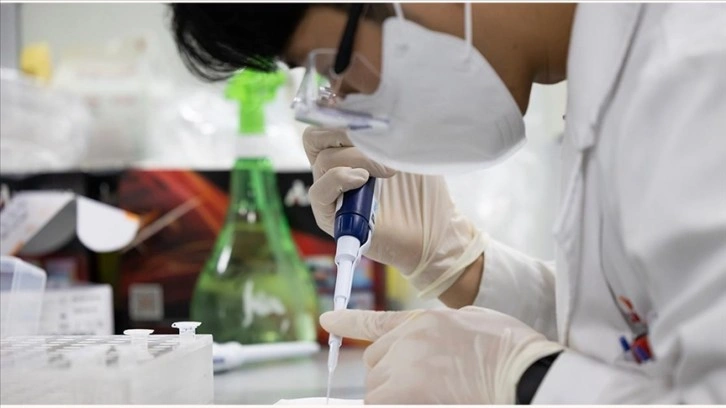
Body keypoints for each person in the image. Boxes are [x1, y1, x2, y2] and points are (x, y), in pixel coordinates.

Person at [170, 3, 726, 404]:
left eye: (333, 65)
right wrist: (457, 263)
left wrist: (525, 381)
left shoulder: (699, 69)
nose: (343, 102)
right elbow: (644, 331)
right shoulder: (613, 72)